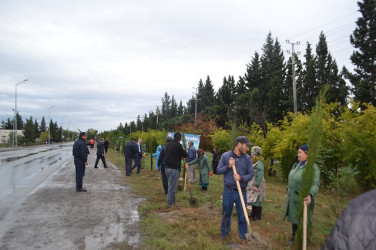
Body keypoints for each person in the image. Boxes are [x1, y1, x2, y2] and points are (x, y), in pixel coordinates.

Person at [217, 136, 253, 241]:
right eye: (246, 146)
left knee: (242, 215)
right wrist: (228, 165)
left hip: (242, 191)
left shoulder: (247, 158)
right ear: (239, 144)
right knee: (226, 214)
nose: (248, 149)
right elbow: (218, 170)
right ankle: (224, 236)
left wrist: (241, 178)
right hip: (228, 191)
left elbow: (250, 174)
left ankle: (243, 237)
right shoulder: (226, 156)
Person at [283, 144, 320, 245]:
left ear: (307, 154)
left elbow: (315, 184)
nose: (297, 155)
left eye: (300, 153)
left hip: (303, 198)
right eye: (298, 152)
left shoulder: (312, 167)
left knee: (303, 219)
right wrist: (288, 191)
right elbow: (292, 179)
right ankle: (294, 237)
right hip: (293, 196)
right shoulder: (297, 165)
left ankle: (305, 240)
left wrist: (310, 195)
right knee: (295, 219)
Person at [164, 133, 188, 208]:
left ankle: (173, 202)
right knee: (172, 187)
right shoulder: (178, 146)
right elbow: (185, 155)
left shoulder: (168, 144)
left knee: (172, 186)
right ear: (180, 139)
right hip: (174, 169)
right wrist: (183, 150)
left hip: (167, 168)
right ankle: (170, 204)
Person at [246, 146, 266, 220]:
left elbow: (259, 175)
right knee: (253, 200)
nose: (250, 153)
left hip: (258, 184)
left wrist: (257, 185)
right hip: (253, 183)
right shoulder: (254, 161)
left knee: (257, 199)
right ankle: (253, 214)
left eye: (252, 152)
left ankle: (257, 216)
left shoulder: (259, 163)